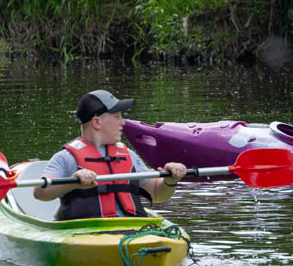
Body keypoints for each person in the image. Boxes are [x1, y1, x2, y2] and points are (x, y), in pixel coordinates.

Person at [34, 89, 187, 220]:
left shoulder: (128, 155)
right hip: (84, 232)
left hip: (130, 230)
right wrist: (73, 182)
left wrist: (170, 180)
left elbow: (156, 193)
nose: (123, 122)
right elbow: (40, 192)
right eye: (117, 117)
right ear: (97, 122)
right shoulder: (66, 157)